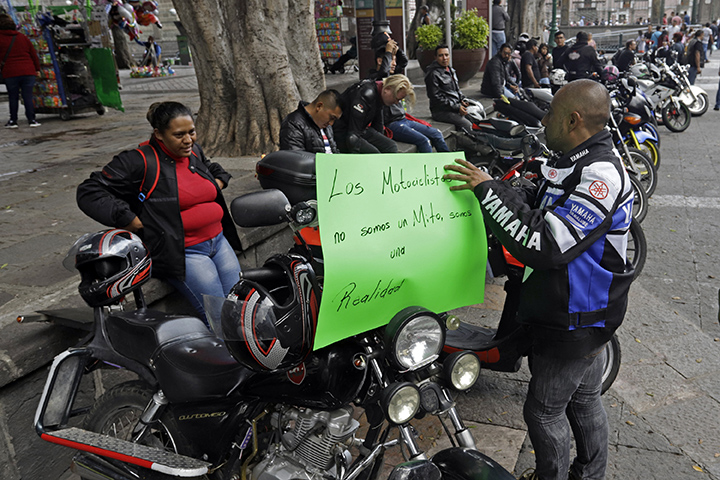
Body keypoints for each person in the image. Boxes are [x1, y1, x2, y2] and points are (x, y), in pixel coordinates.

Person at [443, 79, 634, 480]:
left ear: (573, 120)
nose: (543, 120)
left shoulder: (601, 174)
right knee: (583, 400)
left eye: (549, 114)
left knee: (543, 411)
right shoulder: (576, 159)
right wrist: (515, 191)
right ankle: (590, 473)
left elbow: (547, 243)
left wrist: (489, 191)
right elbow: (544, 205)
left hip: (575, 316)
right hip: (582, 311)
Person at [76, 101, 242, 325]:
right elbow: (90, 191)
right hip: (186, 253)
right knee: (220, 319)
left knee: (240, 309)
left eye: (191, 132)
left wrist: (219, 180)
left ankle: (250, 358)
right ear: (159, 134)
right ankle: (226, 358)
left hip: (219, 243)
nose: (188, 140)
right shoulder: (139, 161)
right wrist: (128, 218)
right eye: (179, 135)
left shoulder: (194, 152)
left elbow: (209, 167)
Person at [333, 74, 413, 153]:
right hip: (343, 131)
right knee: (374, 154)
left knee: (391, 146)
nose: (396, 103)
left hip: (360, 129)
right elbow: (352, 136)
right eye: (396, 99)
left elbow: (378, 126)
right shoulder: (366, 94)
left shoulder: (380, 93)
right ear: (387, 89)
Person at [0, 13, 40, 128]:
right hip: (28, 71)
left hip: (10, 72)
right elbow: (33, 54)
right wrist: (37, 69)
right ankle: (32, 120)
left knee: (13, 96)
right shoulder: (22, 37)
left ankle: (13, 121)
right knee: (28, 96)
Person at [425, 45, 472, 131]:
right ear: (435, 57)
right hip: (441, 111)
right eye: (441, 55)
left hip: (455, 106)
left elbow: (457, 90)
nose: (444, 58)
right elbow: (435, 98)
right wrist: (457, 107)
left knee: (475, 117)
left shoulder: (450, 70)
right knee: (467, 124)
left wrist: (463, 99)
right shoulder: (433, 74)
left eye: (446, 55)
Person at [279, 89, 342, 154]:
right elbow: (295, 159)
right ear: (319, 106)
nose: (331, 123)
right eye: (331, 117)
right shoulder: (293, 123)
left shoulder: (326, 126)